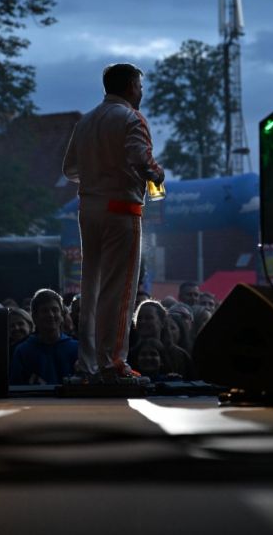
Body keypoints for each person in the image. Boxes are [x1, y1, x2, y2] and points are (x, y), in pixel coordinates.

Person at [63, 63, 164, 384]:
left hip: (88, 209)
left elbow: (69, 169)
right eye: (140, 86)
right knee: (119, 290)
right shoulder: (131, 118)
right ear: (131, 86)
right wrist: (157, 173)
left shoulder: (85, 121)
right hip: (122, 210)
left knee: (91, 286)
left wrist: (96, 173)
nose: (142, 92)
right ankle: (113, 363)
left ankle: (88, 363)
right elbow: (140, 158)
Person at [9, 289, 78, 385]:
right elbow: (16, 387)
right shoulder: (23, 351)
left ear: (62, 315)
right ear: (35, 317)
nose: (51, 315)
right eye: (45, 311)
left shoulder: (76, 348)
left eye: (55, 310)